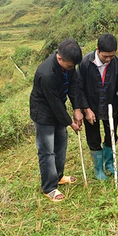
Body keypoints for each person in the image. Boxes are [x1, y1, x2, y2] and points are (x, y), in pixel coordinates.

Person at [30, 38, 83, 202]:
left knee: (61, 144)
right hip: (44, 112)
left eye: (73, 66)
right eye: (69, 66)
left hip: (58, 107)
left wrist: (77, 109)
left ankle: (58, 176)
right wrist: (70, 122)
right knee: (47, 151)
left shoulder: (69, 65)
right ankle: (49, 187)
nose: (71, 68)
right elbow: (53, 102)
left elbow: (74, 85)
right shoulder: (47, 73)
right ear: (59, 58)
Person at [78, 33, 118, 180]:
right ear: (97, 50)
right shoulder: (85, 63)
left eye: (112, 56)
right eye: (105, 56)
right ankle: (98, 169)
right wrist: (86, 109)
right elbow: (79, 88)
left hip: (110, 106)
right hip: (91, 107)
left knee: (111, 134)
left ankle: (109, 164)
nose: (108, 59)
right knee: (93, 137)